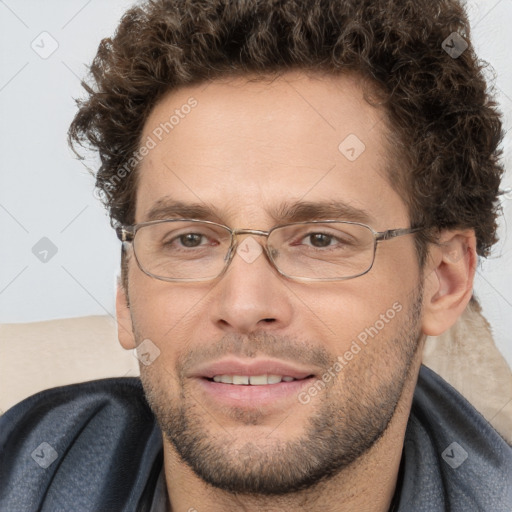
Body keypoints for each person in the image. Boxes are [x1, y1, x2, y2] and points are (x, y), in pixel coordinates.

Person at [1, 0, 511, 510]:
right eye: (190, 239)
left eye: (319, 239)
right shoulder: (19, 472)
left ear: (443, 280)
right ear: (125, 294)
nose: (244, 306)